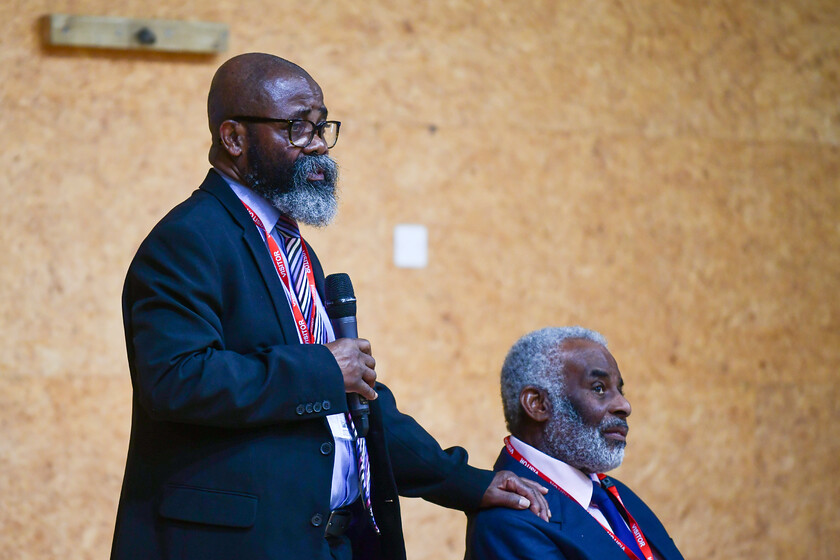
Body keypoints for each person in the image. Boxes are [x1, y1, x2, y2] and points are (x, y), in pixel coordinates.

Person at [110, 52, 549, 560]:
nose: (318, 145)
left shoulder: (292, 248)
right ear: (234, 138)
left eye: (322, 127)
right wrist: (322, 368)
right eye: (298, 128)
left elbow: (352, 398)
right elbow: (177, 381)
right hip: (235, 546)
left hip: (330, 541)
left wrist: (463, 482)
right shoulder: (190, 240)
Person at [465, 327, 684, 560]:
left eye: (619, 390)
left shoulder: (618, 495)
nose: (624, 405)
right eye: (599, 388)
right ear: (538, 404)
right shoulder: (506, 521)